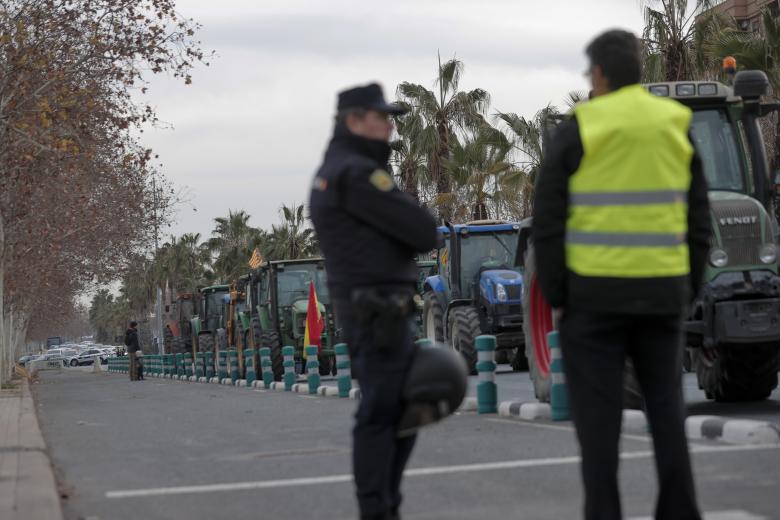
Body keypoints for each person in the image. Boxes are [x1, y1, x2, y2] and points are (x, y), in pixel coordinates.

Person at [533, 30, 710, 520]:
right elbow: (699, 219)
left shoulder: (581, 127)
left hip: (593, 301)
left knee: (599, 430)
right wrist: (688, 287)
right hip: (662, 296)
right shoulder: (674, 122)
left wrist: (559, 294)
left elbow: (547, 219)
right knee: (668, 416)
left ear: (599, 74)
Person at [309, 83, 438, 520]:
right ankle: (378, 510)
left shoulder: (338, 169)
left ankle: (384, 506)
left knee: (397, 408)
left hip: (372, 307)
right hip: (377, 310)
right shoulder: (357, 174)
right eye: (380, 117)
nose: (388, 125)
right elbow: (424, 231)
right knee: (383, 412)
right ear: (354, 121)